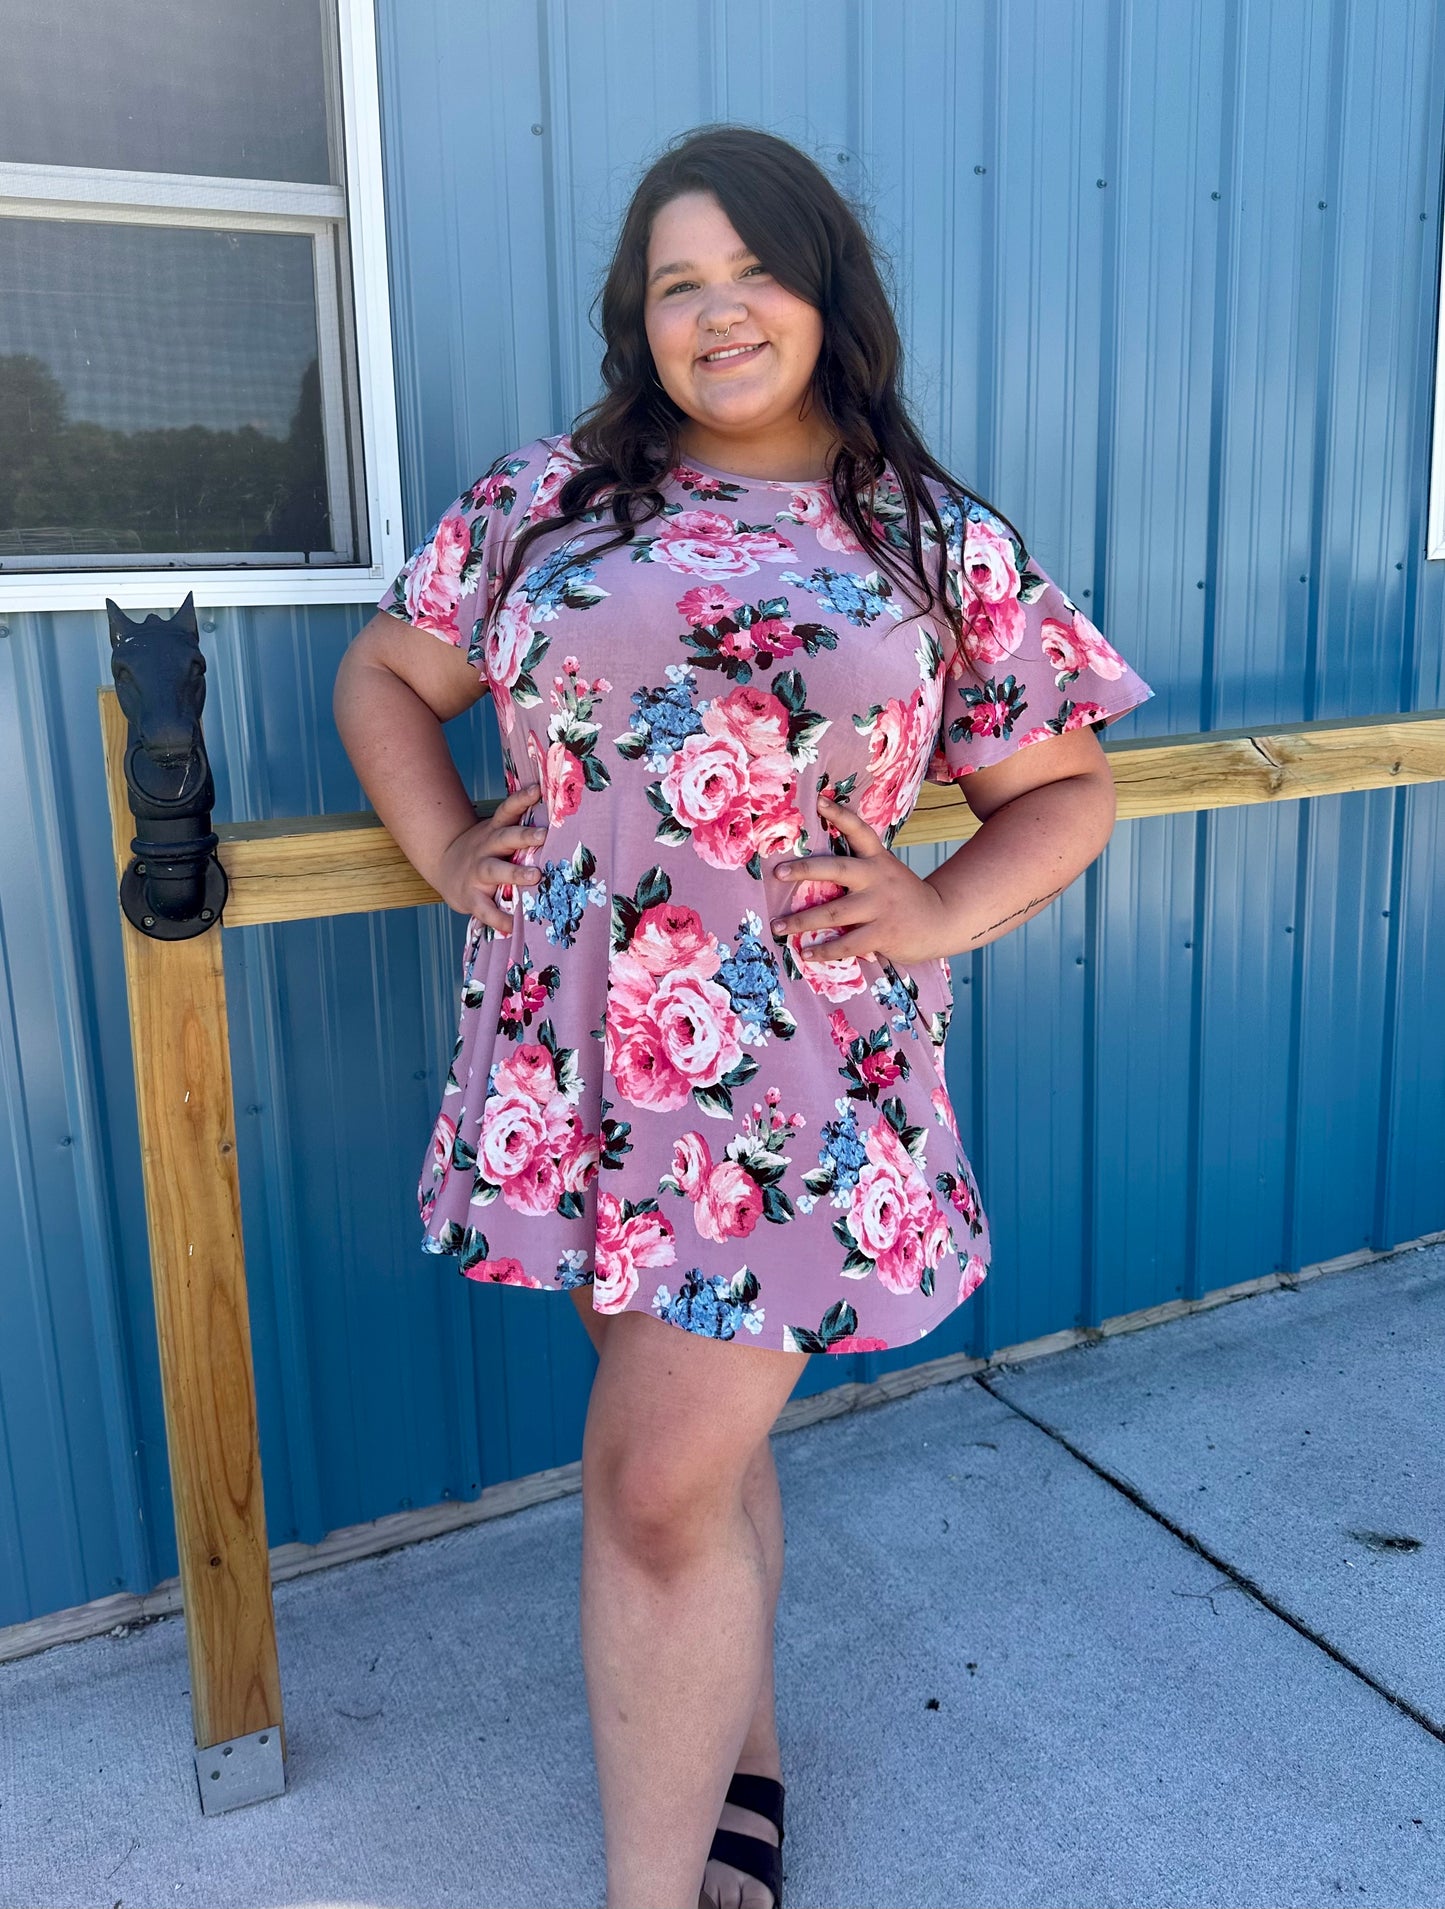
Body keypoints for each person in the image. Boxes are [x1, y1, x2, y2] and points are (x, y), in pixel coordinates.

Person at [333, 123, 1153, 1909]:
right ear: (638, 316)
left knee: (645, 1486)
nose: (715, 314)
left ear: (826, 288)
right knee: (686, 1461)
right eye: (675, 284)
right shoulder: (550, 494)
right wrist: (441, 838)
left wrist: (939, 903)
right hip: (577, 1072)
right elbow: (392, 670)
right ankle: (745, 1758)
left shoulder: (928, 533)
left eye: (751, 272)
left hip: (799, 1086)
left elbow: (1065, 791)